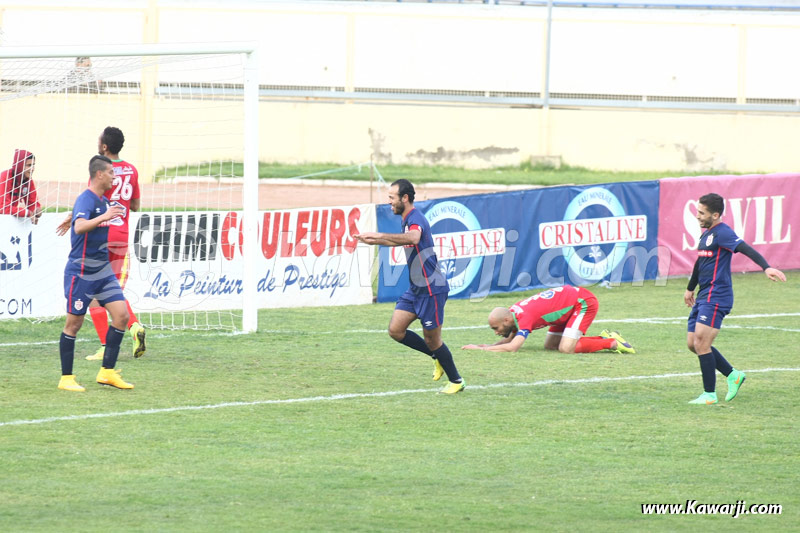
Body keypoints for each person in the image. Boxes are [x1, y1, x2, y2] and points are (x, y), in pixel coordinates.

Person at [354, 179, 465, 394]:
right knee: (396, 331)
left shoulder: (416, 219)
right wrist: (374, 241)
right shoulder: (405, 219)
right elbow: (401, 241)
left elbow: (414, 238)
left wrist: (380, 235)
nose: (389, 202)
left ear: (405, 198)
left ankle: (457, 381)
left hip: (432, 289)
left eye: (392, 198)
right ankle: (437, 357)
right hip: (416, 289)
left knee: (433, 340)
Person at [684, 193, 786, 405]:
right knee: (693, 344)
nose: (697, 216)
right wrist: (689, 288)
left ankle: (709, 395)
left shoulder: (723, 233)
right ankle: (733, 375)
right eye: (697, 212)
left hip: (717, 296)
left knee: (702, 343)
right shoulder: (707, 234)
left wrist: (766, 267)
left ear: (715, 214)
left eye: (701, 213)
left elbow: (745, 248)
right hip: (704, 295)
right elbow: (699, 263)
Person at [57, 127, 146, 361]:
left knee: (98, 291)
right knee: (111, 289)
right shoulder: (132, 170)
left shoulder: (101, 171)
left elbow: (90, 199)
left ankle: (108, 343)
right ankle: (133, 327)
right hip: (122, 235)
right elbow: (136, 206)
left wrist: (76, 216)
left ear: (104, 146)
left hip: (102, 234)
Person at [57, 155, 135, 391]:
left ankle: (107, 372)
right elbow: (81, 227)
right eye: (111, 172)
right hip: (81, 271)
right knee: (74, 324)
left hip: (102, 270)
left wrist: (74, 217)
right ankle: (66, 378)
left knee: (121, 316)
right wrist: (101, 217)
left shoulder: (101, 200)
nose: (115, 176)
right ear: (99, 174)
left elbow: (80, 218)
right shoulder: (87, 198)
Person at [462, 285, 635, 354]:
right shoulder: (513, 314)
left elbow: (512, 347)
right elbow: (508, 339)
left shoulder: (524, 317)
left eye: (496, 328)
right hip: (566, 307)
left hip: (582, 302)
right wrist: (482, 346)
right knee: (550, 346)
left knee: (566, 349)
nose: (496, 332)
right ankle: (602, 338)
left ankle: (610, 342)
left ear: (506, 320)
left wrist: (481, 350)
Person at [0, 149, 43, 224]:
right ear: (20, 166)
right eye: (29, 165)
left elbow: (32, 203)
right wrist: (27, 213)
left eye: (33, 165)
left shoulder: (27, 180)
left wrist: (36, 210)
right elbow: (3, 208)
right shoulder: (5, 177)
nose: (32, 169)